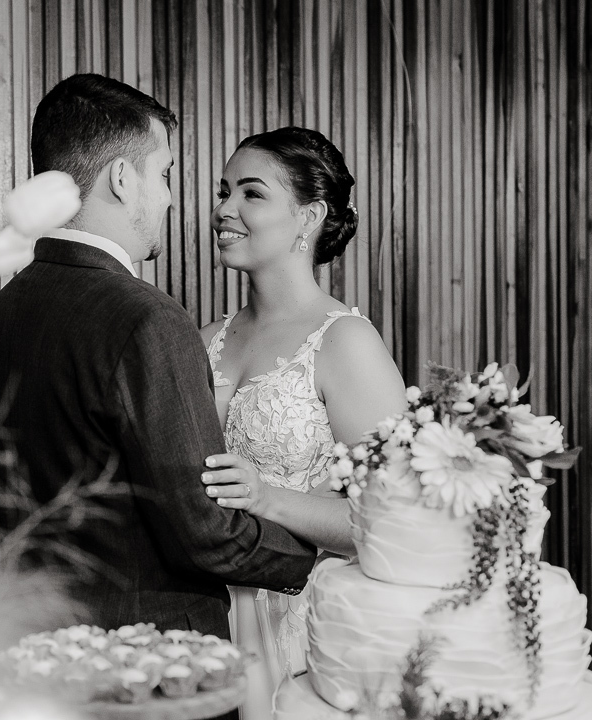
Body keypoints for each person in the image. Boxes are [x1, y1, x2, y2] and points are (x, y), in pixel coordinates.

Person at [0, 75, 318, 645]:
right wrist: (318, 564)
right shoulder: (144, 318)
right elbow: (206, 533)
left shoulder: (2, 310)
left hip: (30, 644)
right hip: (147, 655)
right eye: (165, 173)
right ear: (123, 179)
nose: (171, 198)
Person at [198, 127, 408, 717]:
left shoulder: (345, 342)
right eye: (223, 191)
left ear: (309, 216)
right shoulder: (205, 342)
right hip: (209, 611)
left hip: (302, 624)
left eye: (250, 194)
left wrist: (265, 496)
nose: (223, 209)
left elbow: (389, 520)